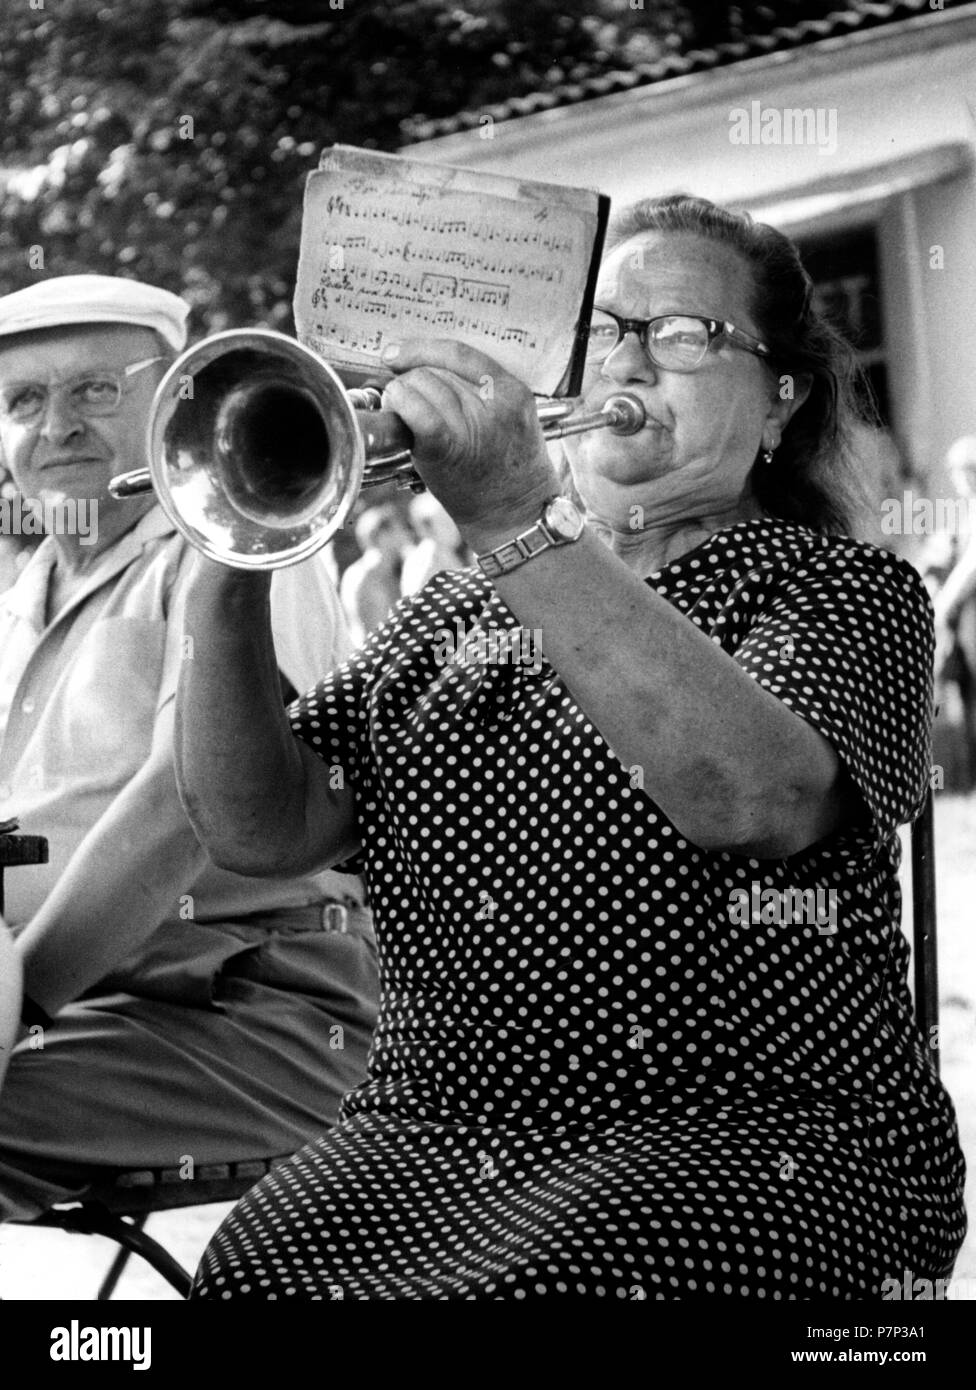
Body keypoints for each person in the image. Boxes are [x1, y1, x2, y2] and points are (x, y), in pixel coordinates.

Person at [178, 195, 966, 1300]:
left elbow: (747, 796)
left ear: (779, 396)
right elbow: (264, 827)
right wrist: (231, 556)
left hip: (749, 1130)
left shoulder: (839, 588)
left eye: (685, 335)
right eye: (604, 334)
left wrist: (513, 517)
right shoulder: (452, 610)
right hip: (431, 1133)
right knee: (251, 1269)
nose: (630, 361)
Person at [0, 275, 378, 1221]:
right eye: (22, 401)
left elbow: (186, 806)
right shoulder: (18, 589)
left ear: (175, 402)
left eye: (94, 390)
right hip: (79, 1012)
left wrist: (22, 1007)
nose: (56, 429)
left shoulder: (241, 547)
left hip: (232, 1012)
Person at [338, 503, 411, 645]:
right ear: (383, 535)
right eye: (400, 528)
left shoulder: (390, 569)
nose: (406, 534)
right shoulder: (364, 576)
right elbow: (374, 630)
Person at [399, 490, 470, 596]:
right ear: (427, 528)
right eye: (445, 524)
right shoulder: (422, 563)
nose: (454, 528)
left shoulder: (459, 550)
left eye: (453, 520)